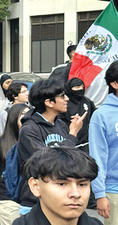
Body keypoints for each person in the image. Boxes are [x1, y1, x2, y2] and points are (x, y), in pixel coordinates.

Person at [16, 79, 85, 215]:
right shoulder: (30, 129)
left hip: (60, 198)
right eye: (62, 96)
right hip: (35, 202)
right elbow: (49, 161)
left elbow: (70, 160)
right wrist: (72, 134)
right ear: (48, 102)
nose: (66, 99)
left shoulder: (61, 124)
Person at [90, 60, 118, 225]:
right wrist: (100, 194)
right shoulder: (101, 115)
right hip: (114, 190)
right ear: (114, 84)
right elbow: (97, 157)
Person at [60, 77, 96, 153]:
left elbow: (95, 116)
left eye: (82, 87)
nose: (80, 89)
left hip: (87, 143)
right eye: (76, 87)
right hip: (69, 143)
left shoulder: (87, 102)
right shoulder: (64, 104)